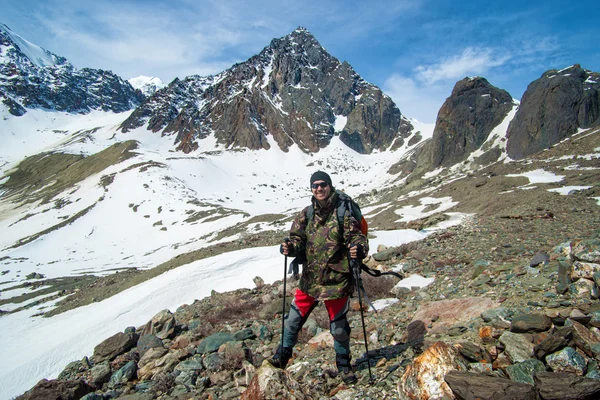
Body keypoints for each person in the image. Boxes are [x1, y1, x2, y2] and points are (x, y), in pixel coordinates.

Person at [270, 171, 369, 384]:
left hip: (337, 281)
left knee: (339, 327)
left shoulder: (343, 212)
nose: (319, 189)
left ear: (330, 186)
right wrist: (289, 248)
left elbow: (357, 237)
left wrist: (358, 249)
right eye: (315, 186)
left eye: (323, 184)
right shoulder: (306, 214)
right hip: (311, 280)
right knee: (292, 321)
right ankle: (281, 357)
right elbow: (298, 241)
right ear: (311, 189)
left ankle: (344, 365)